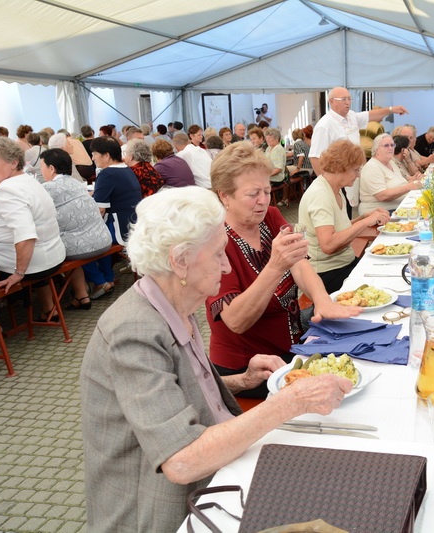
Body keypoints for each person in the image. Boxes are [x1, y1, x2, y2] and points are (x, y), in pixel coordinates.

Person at [81, 186, 352, 533]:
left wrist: (242, 380)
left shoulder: (174, 304)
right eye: (218, 254)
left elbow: (174, 393)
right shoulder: (133, 331)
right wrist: (290, 402)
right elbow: (181, 460)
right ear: (180, 260)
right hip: (161, 510)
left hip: (213, 478)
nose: (226, 266)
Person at [206, 143, 361, 397]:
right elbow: (236, 321)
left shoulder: (270, 217)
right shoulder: (214, 241)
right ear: (224, 196)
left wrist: (322, 300)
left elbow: (300, 263)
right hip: (250, 369)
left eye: (267, 191)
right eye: (253, 194)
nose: (263, 200)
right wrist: (276, 266)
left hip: (290, 348)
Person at [0, 136, 66, 316]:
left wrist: (18, 273)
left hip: (33, 265)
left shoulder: (9, 190)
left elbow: (26, 235)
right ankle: (46, 308)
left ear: (14, 162)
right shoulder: (26, 180)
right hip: (51, 255)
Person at [298, 140, 390, 293]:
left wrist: (364, 218)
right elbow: (328, 245)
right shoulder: (320, 195)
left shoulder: (335, 188)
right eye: (355, 170)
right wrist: (365, 222)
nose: (358, 175)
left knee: (385, 270)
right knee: (383, 283)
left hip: (343, 264)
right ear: (340, 167)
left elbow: (340, 228)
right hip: (326, 274)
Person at [308, 86, 408, 213]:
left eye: (349, 99)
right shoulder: (324, 125)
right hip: (336, 180)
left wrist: (391, 110)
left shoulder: (351, 116)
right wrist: (328, 186)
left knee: (347, 213)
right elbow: (315, 157)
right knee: (340, 215)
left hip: (350, 178)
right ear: (331, 101)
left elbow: (370, 115)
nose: (348, 102)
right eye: (343, 99)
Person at [40, 148, 111, 310]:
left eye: (42, 167)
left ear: (51, 168)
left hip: (81, 247)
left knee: (53, 250)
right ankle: (82, 295)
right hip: (102, 238)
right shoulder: (77, 183)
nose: (41, 171)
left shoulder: (47, 188)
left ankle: (58, 303)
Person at [85, 136, 142, 299]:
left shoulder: (107, 174)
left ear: (107, 155)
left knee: (84, 244)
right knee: (97, 238)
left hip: (118, 226)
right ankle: (107, 277)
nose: (93, 158)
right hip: (132, 222)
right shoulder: (125, 169)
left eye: (94, 154)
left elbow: (100, 210)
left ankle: (100, 281)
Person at [358, 133, 421, 214]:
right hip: (380, 213)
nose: (390, 148)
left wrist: (413, 182)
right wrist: (409, 187)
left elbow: (399, 184)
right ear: (376, 149)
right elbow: (382, 196)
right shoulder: (372, 167)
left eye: (392, 145)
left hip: (399, 207)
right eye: (386, 145)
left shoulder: (391, 163)